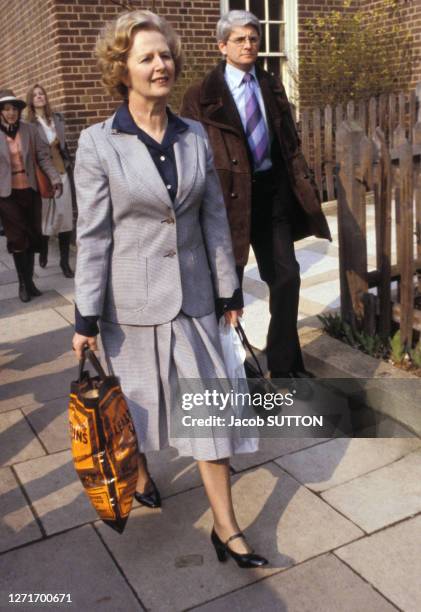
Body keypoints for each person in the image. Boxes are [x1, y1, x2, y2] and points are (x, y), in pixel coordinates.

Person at [72, 10, 267, 568]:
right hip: (128, 307)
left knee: (208, 414)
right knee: (131, 412)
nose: (161, 65)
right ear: (122, 70)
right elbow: (93, 236)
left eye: (165, 54)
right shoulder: (98, 144)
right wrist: (85, 320)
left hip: (195, 300)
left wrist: (229, 293)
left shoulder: (195, 137)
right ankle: (140, 473)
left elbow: (211, 220)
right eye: (146, 57)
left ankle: (225, 528)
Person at [181, 10, 332, 381]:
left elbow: (287, 141)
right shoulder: (200, 96)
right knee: (225, 287)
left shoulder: (271, 84)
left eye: (253, 38)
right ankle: (235, 369)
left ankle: (284, 364)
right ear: (222, 46)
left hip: (271, 195)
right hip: (225, 203)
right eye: (239, 39)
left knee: (286, 277)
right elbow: (191, 152)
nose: (249, 44)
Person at [0, 89, 62, 302]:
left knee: (34, 236)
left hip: (31, 190)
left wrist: (55, 178)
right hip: (6, 194)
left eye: (14, 109)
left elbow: (44, 158)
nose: (11, 113)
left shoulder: (30, 130)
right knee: (17, 238)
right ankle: (23, 285)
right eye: (6, 109)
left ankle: (30, 281)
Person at [26, 84, 75, 278]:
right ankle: (44, 249)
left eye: (42, 94)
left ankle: (64, 262)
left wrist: (69, 164)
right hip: (44, 177)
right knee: (46, 218)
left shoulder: (56, 119)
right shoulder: (30, 124)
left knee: (65, 218)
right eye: (35, 95)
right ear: (31, 100)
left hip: (62, 173)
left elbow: (63, 147)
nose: (39, 97)